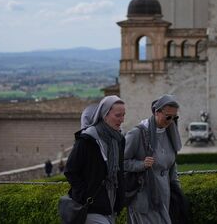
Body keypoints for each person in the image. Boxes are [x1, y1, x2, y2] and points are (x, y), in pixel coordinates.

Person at [64, 96, 127, 224]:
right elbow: (70, 170)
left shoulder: (119, 140)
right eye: (118, 115)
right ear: (104, 115)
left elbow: (119, 172)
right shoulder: (87, 140)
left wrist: (120, 198)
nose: (122, 120)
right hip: (92, 205)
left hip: (111, 202)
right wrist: (84, 195)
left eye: (123, 115)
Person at [124, 95, 183, 224]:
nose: (171, 121)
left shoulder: (169, 134)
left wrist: (178, 192)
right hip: (144, 199)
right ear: (157, 112)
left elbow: (171, 167)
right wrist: (141, 164)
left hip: (164, 197)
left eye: (175, 117)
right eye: (168, 116)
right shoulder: (137, 133)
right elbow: (120, 162)